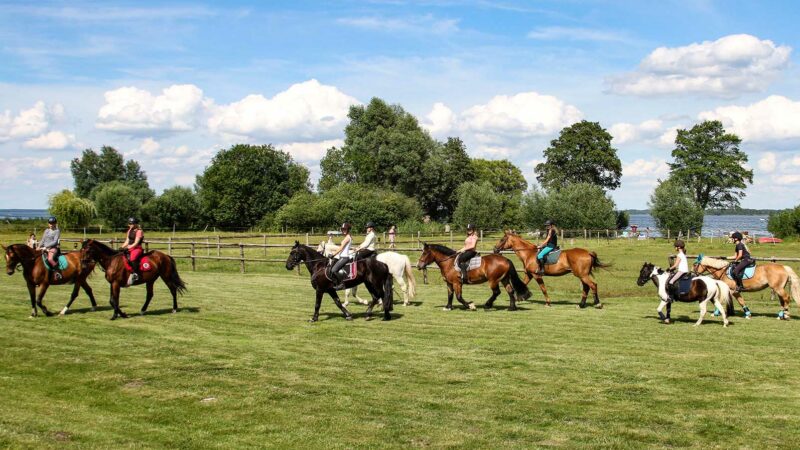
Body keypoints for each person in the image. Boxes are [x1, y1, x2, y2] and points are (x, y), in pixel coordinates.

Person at [120, 217, 144, 285]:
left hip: (137, 248)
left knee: (132, 257)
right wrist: (122, 247)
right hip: (130, 247)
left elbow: (136, 242)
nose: (131, 225)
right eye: (130, 223)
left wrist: (128, 247)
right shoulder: (129, 230)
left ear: (136, 224)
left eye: (132, 223)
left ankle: (134, 273)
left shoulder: (139, 231)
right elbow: (127, 241)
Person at [329, 222, 353, 289]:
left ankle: (342, 284)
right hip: (342, 256)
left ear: (348, 229)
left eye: (345, 229)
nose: (343, 231)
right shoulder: (348, 237)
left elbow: (341, 248)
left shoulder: (347, 238)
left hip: (344, 257)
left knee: (334, 270)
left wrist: (333, 254)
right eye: (342, 229)